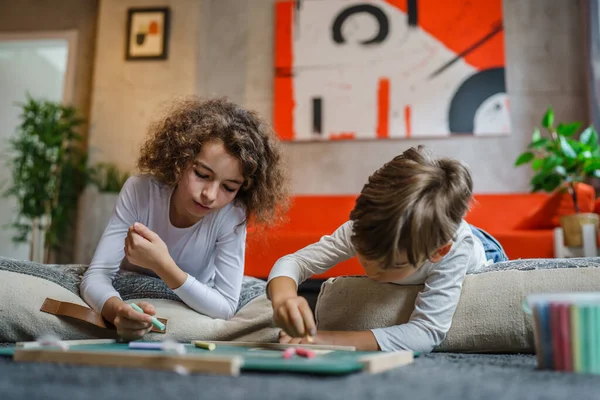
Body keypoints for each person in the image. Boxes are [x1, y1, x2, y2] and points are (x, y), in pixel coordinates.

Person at [81, 97, 289, 341]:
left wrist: (163, 266)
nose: (210, 195)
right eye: (202, 174)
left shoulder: (232, 214)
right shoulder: (140, 191)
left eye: (229, 187)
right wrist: (117, 312)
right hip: (131, 289)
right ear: (179, 160)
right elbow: (97, 275)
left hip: (197, 295)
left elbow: (225, 307)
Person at [267, 145, 507, 352]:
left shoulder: (452, 250)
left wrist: (325, 339)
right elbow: (295, 262)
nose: (371, 270)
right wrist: (284, 298)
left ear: (437, 252)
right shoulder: (363, 228)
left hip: (484, 251)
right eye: (365, 252)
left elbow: (426, 333)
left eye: (393, 264)